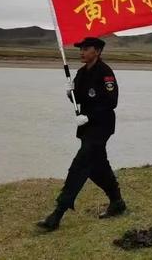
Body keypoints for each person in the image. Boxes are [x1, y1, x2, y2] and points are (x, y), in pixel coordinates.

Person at [37, 37, 125, 231]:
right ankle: (117, 202)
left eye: (86, 49)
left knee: (81, 163)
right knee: (96, 167)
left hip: (101, 126)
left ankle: (57, 213)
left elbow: (112, 102)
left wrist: (90, 116)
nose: (82, 52)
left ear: (98, 51)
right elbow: (78, 101)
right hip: (86, 127)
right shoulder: (80, 73)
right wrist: (70, 94)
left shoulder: (105, 73)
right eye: (81, 49)